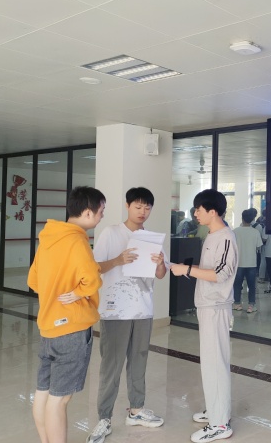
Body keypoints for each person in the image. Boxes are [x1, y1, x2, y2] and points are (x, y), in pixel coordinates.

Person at [87, 187, 167, 443]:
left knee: (139, 362)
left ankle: (136, 409)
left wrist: (160, 264)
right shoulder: (111, 233)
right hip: (115, 310)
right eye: (138, 207)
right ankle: (104, 418)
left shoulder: (151, 238)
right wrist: (118, 260)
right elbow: (94, 267)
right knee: (111, 366)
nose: (143, 212)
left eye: (147, 208)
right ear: (127, 206)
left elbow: (161, 275)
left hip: (143, 310)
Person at [28, 186, 106, 443]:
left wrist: (58, 290)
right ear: (87, 212)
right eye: (101, 211)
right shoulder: (77, 240)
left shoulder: (49, 238)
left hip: (49, 327)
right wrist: (77, 292)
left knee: (43, 392)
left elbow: (33, 281)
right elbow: (92, 280)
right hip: (71, 328)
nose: (102, 216)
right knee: (59, 400)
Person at [170, 189, 238, 443]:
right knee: (210, 364)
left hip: (216, 308)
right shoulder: (211, 235)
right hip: (207, 306)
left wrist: (187, 269)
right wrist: (180, 267)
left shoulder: (226, 237)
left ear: (213, 211)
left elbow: (221, 274)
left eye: (199, 209)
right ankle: (216, 408)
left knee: (215, 365)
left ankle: (220, 424)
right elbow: (210, 269)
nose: (195, 213)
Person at [232, 209, 263, 313]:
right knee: (251, 285)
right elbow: (258, 247)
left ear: (242, 218)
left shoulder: (235, 231)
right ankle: (251, 305)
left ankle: (237, 304)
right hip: (251, 263)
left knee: (237, 284)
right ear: (252, 219)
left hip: (238, 262)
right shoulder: (255, 232)